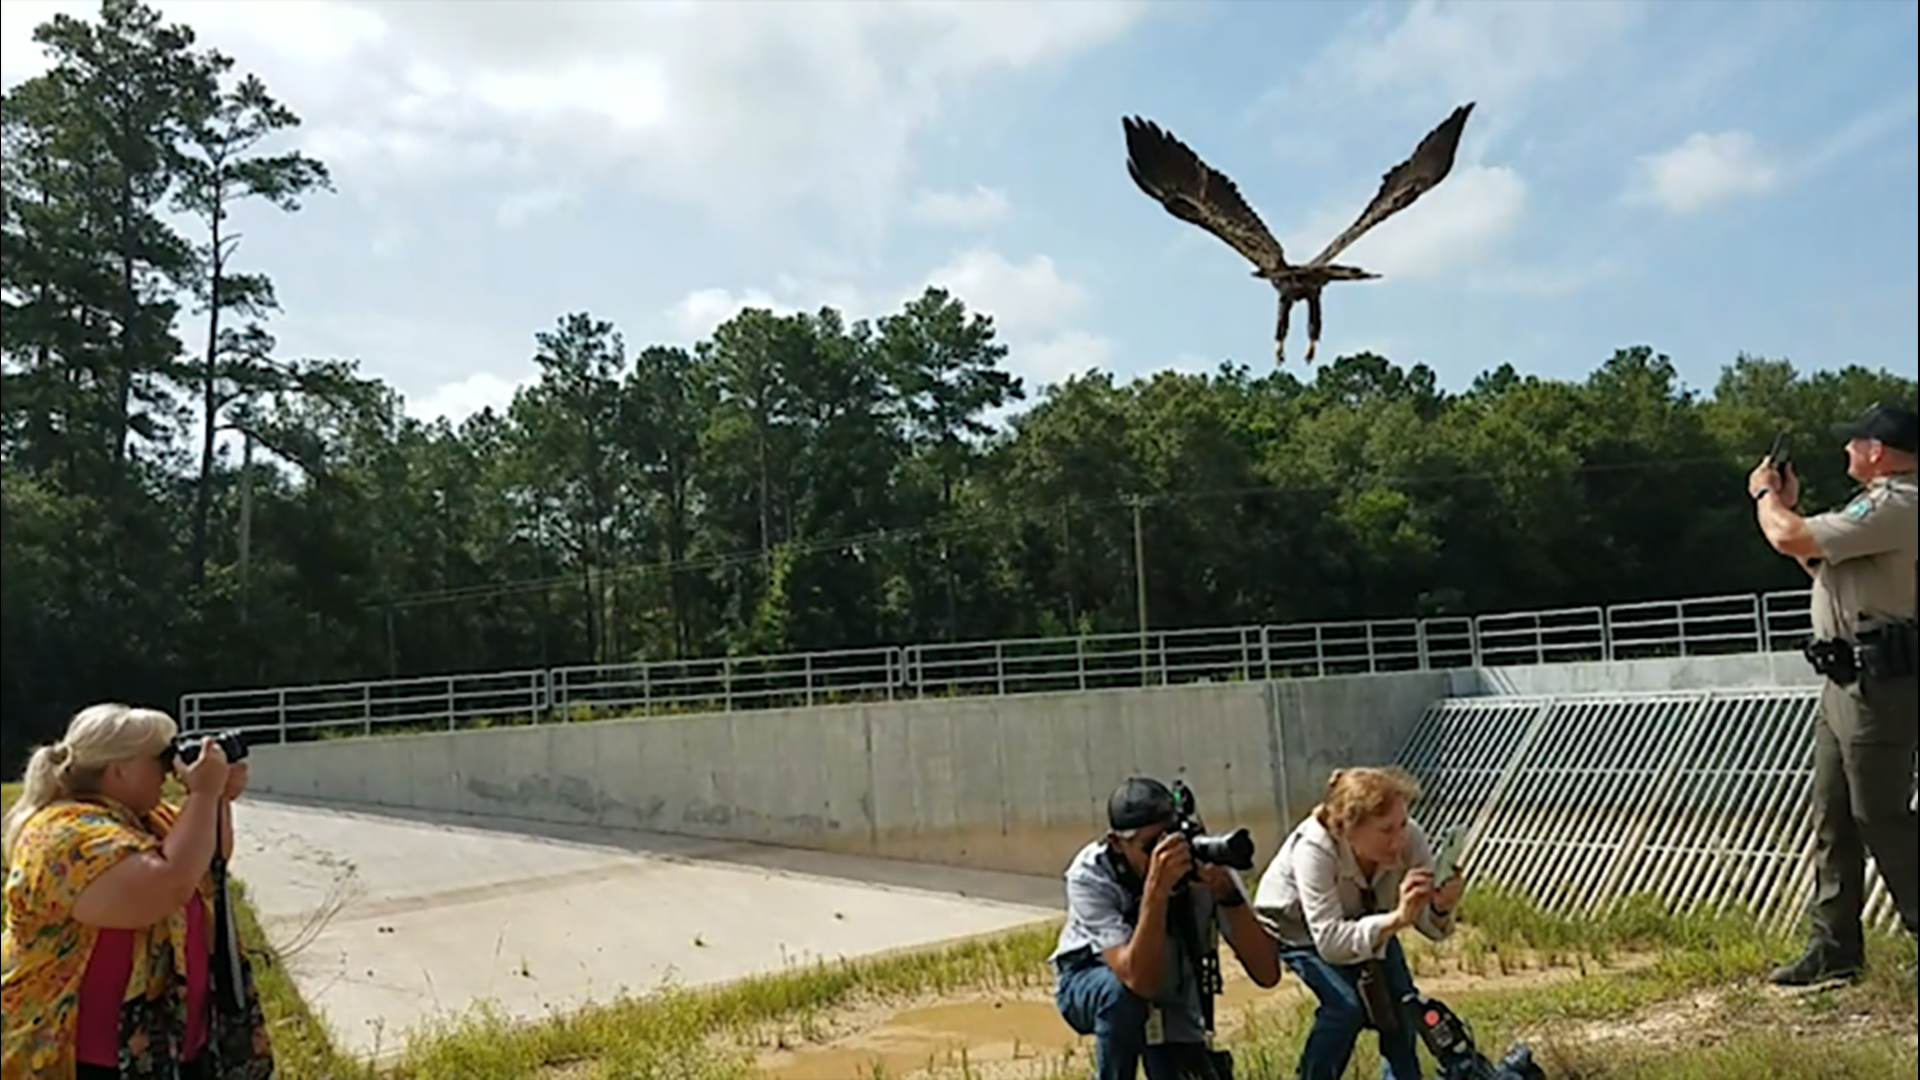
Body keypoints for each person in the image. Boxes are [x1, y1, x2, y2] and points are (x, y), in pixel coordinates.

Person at [0, 703, 275, 1080]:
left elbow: (207, 861)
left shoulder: (148, 816)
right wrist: (202, 793)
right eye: (162, 758)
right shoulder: (62, 834)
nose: (170, 769)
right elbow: (167, 887)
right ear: (120, 768)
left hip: (172, 1042)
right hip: (85, 1056)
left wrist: (216, 799)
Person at [1748, 399, 1919, 987]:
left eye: (1854, 441)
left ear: (1878, 450)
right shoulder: (1875, 506)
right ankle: (1835, 944)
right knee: (1834, 816)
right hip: (1844, 677)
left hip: (1880, 681)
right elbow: (1818, 559)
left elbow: (1789, 538)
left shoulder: (1901, 502)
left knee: (1881, 814)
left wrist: (1767, 498)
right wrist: (1790, 515)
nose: (1847, 449)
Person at [1049, 777, 1283, 1080]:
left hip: (1171, 991)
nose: (1170, 855)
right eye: (1152, 847)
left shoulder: (1204, 862)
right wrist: (1156, 892)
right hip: (1093, 979)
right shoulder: (1091, 874)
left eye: (1172, 839)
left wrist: (1228, 894)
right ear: (1117, 843)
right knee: (1121, 997)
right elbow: (1136, 980)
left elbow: (1267, 972)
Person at [1252, 766, 1464, 1080]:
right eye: (1385, 830)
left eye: (1402, 824)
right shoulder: (1315, 847)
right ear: (1349, 829)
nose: (1398, 839)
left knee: (1403, 1006)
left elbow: (1427, 924)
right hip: (1300, 929)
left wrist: (1441, 907)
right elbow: (1330, 942)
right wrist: (1397, 918)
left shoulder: (1410, 838)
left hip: (1368, 919)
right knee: (1345, 1008)